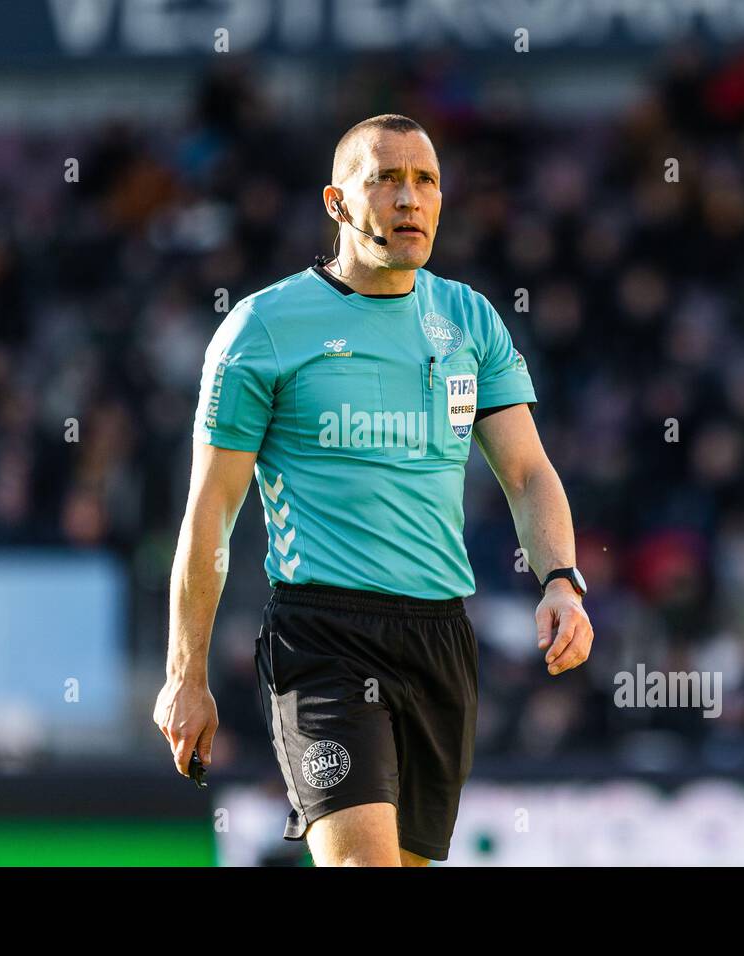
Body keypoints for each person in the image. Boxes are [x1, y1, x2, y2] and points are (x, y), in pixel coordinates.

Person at [155, 114, 593, 866]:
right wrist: (183, 676)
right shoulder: (262, 328)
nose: (409, 198)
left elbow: (527, 473)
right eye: (386, 179)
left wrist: (561, 580)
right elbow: (210, 517)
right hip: (323, 637)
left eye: (425, 180)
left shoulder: (469, 321)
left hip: (439, 637)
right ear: (337, 202)